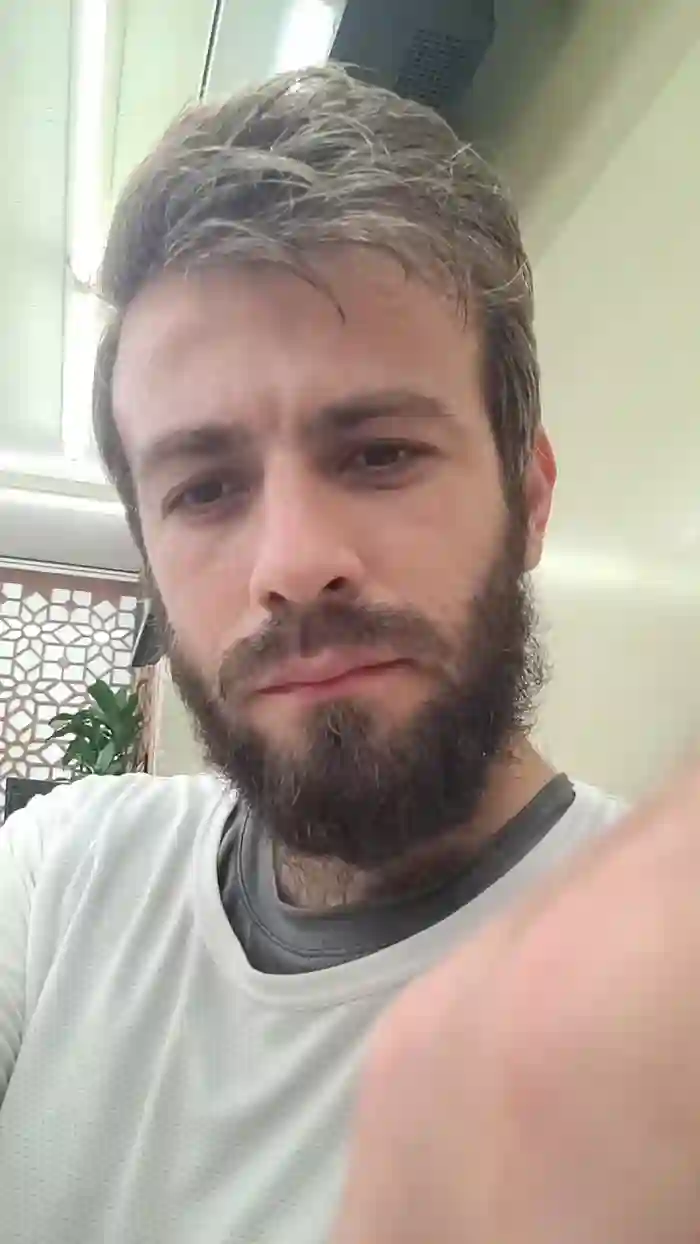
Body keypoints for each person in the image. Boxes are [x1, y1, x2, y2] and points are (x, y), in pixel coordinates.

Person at [0, 63, 662, 1243]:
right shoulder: (63, 879)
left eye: (378, 454)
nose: (294, 564)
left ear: (528, 496)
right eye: (206, 488)